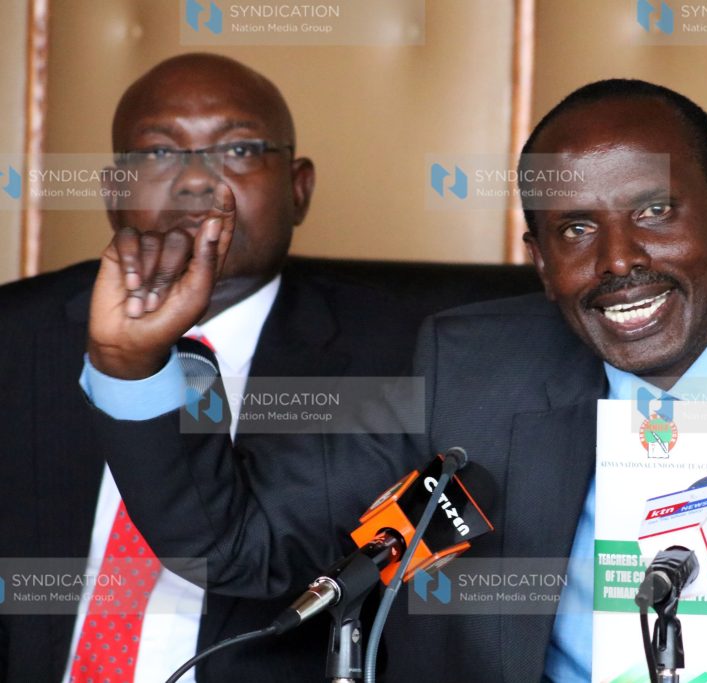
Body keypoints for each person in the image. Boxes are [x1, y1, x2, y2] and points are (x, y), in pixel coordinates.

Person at [81, 79, 707, 682]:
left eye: (655, 211)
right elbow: (243, 548)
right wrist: (134, 367)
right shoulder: (470, 371)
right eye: (573, 229)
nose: (620, 261)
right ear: (537, 259)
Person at [0, 53, 420, 682]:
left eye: (240, 148)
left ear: (299, 189)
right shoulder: (13, 334)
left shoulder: (402, 356)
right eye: (159, 153)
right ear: (114, 192)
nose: (197, 182)